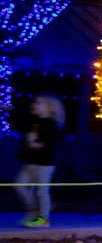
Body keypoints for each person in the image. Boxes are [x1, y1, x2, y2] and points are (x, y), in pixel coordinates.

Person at [13, 94, 65, 228]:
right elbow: (19, 113)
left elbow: (48, 143)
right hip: (30, 162)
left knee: (42, 191)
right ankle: (35, 210)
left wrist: (36, 144)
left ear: (48, 107)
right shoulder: (34, 121)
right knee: (18, 185)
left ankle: (44, 219)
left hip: (44, 164)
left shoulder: (51, 124)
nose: (34, 105)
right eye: (34, 103)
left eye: (38, 103)